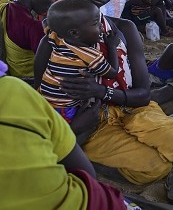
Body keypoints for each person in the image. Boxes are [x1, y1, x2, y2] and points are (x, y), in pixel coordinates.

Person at [34, 0, 173, 198]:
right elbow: (45, 94)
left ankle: (95, 154)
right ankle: (88, 161)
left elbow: (143, 94)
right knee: (153, 167)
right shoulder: (55, 39)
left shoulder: (123, 29)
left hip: (132, 109)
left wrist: (102, 92)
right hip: (91, 125)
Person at [0, 62, 136, 210]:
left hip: (84, 124)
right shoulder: (14, 92)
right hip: (84, 198)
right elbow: (87, 175)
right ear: (74, 36)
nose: (101, 36)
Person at [35, 0, 119, 123]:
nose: (101, 26)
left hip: (44, 98)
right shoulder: (90, 56)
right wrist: (112, 46)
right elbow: (113, 73)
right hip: (63, 107)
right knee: (85, 127)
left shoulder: (57, 38)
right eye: (96, 23)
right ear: (74, 33)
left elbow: (46, 24)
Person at [0, 0, 62, 79]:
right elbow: (53, 65)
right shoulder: (33, 27)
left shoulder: (5, 6)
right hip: (30, 84)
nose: (53, 3)